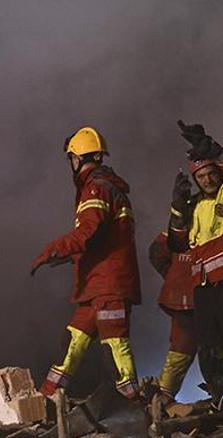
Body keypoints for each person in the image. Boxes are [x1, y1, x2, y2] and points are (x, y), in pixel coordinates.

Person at [32, 126, 141, 400]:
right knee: (70, 346)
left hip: (108, 287)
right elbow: (98, 239)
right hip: (96, 287)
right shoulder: (102, 188)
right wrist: (68, 256)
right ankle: (45, 400)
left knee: (114, 350)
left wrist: (53, 249)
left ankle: (139, 409)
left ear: (77, 158)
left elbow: (88, 232)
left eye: (71, 158)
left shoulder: (96, 189)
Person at [167, 120, 223, 402]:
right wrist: (177, 208)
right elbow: (177, 243)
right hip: (204, 288)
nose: (207, 180)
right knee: (209, 348)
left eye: (211, 173)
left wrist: (216, 150)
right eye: (201, 176)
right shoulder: (194, 206)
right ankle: (221, 398)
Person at [149, 231, 196, 402]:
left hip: (188, 297)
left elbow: (156, 252)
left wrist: (175, 278)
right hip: (209, 294)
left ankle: (163, 396)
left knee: (181, 348)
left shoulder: (180, 225)